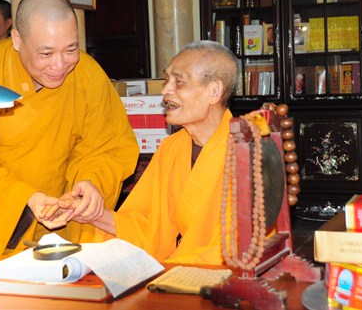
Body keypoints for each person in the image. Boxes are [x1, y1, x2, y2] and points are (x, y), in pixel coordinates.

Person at [0, 0, 139, 255]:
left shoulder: (88, 75)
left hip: (63, 222)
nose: (60, 64)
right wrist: (27, 199)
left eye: (71, 49)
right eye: (46, 54)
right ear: (17, 40)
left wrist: (91, 183)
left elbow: (108, 145)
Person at [49, 40, 242, 264]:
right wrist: (93, 214)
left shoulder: (248, 151)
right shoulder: (172, 148)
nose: (165, 90)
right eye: (167, 80)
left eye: (179, 82)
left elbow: (235, 248)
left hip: (223, 275)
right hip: (179, 268)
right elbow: (150, 227)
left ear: (214, 92)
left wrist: (172, 270)